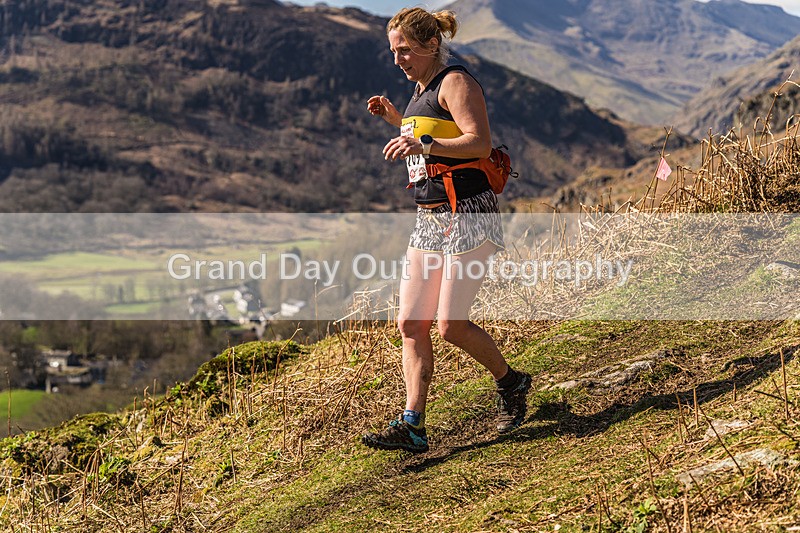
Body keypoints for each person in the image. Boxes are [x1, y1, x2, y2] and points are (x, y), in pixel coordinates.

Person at [362, 7, 531, 453]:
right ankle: (412, 423)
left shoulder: (456, 81)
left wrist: (423, 142)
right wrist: (396, 119)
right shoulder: (420, 89)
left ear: (432, 45)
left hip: (469, 211)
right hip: (430, 217)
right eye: (393, 52)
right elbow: (428, 136)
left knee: (450, 326)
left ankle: (512, 383)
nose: (398, 59)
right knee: (410, 323)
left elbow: (477, 141)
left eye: (405, 51)